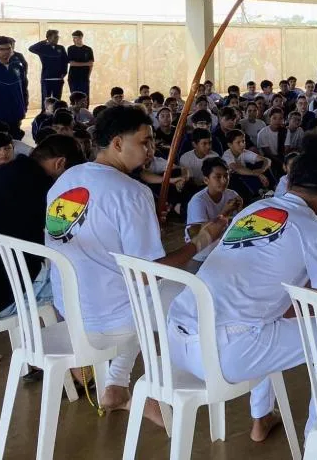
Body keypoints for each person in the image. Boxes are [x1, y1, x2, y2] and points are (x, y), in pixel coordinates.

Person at [169, 135, 317, 443]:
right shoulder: (316, 229)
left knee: (263, 319)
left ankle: (262, 417)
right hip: (224, 354)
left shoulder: (254, 210)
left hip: (178, 341)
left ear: (289, 181)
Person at [46, 106, 227, 414]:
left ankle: (116, 386)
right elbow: (148, 273)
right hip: (106, 316)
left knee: (141, 296)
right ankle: (158, 388)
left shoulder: (67, 178)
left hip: (69, 305)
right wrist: (203, 239)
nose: (150, 150)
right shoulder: (132, 192)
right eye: (144, 142)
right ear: (117, 143)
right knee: (196, 298)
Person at [0, 135, 84, 368]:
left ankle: (35, 355)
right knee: (74, 283)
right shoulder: (43, 188)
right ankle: (69, 364)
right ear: (60, 164)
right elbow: (60, 242)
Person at [27, 30, 69, 102]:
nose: (57, 38)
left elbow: (65, 61)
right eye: (55, 37)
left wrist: (64, 73)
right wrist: (44, 42)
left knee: (57, 101)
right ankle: (45, 113)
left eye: (58, 37)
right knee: (46, 101)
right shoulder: (42, 48)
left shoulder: (61, 48)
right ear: (49, 38)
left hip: (58, 78)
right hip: (46, 78)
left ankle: (57, 113)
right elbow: (31, 48)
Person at [66, 30, 94, 98]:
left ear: (81, 37)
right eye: (73, 38)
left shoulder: (88, 49)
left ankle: (85, 109)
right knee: (75, 97)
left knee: (85, 97)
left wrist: (88, 76)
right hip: (73, 77)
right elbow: (72, 63)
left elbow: (91, 64)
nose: (73, 39)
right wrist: (86, 63)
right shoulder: (70, 49)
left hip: (84, 78)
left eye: (75, 37)